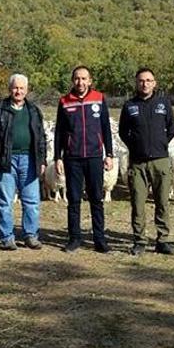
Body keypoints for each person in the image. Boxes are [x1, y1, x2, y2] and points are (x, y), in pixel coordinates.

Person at [54, 66, 115, 253]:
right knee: (74, 199)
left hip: (95, 156)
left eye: (84, 78)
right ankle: (74, 238)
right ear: (73, 80)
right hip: (72, 157)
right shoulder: (64, 101)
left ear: (90, 80)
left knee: (96, 199)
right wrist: (57, 157)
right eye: (77, 78)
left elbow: (105, 127)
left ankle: (99, 239)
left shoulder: (99, 98)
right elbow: (59, 132)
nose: (80, 82)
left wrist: (109, 154)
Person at [0, 73, 47, 251]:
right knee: (4, 201)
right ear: (10, 89)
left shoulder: (34, 110)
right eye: (15, 88)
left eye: (21, 88)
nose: (18, 91)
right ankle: (7, 238)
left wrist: (42, 160)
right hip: (5, 159)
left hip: (30, 159)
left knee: (32, 200)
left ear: (27, 90)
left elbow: (41, 137)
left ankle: (31, 235)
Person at [119, 68, 174, 256]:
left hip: (160, 161)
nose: (145, 84)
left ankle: (163, 240)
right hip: (138, 163)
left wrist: (161, 144)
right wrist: (136, 146)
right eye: (141, 81)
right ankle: (140, 240)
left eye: (148, 80)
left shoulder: (163, 103)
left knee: (162, 202)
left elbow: (172, 128)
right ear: (136, 83)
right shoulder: (129, 105)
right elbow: (122, 132)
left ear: (154, 83)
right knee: (138, 203)